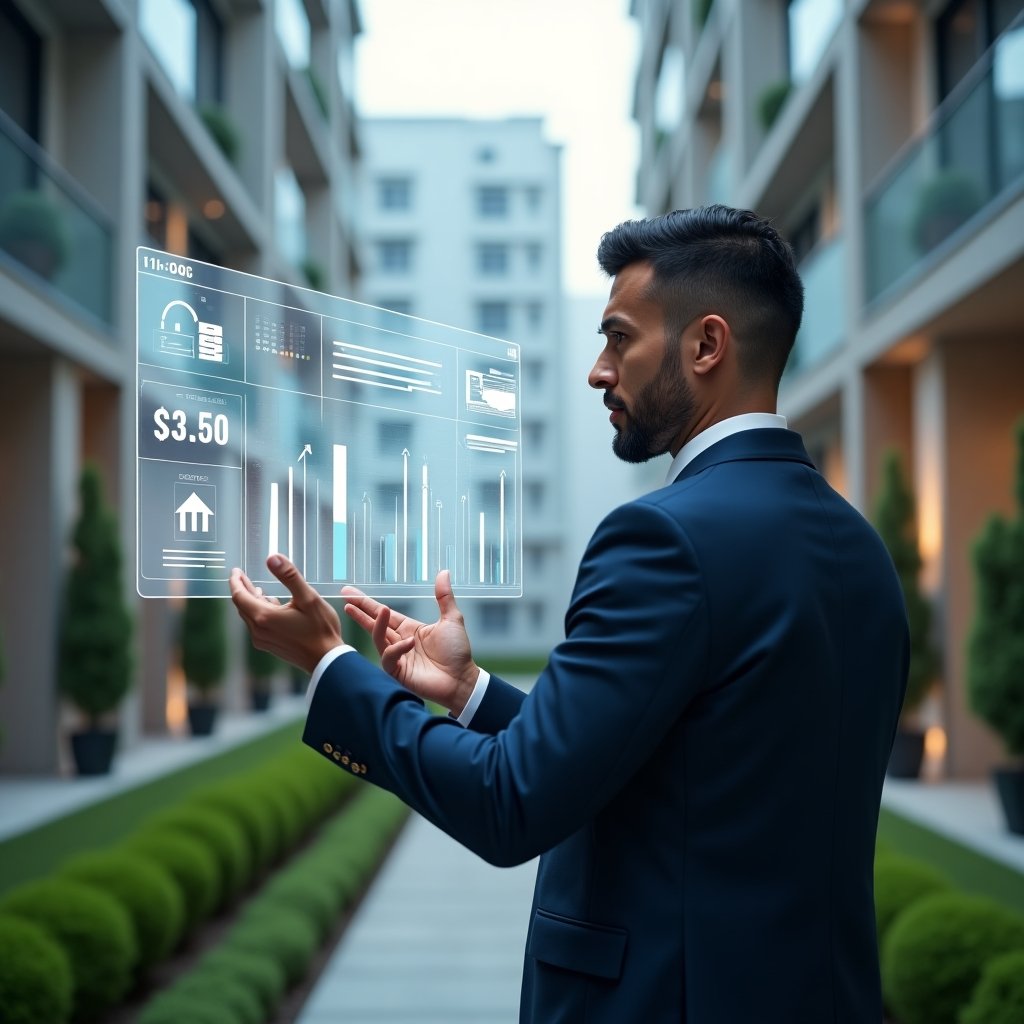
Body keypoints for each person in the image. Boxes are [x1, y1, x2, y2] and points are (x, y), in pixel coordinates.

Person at [231, 205, 909, 1023]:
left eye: (620, 339)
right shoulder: (862, 550)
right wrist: (471, 693)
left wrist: (332, 666)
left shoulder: (661, 539)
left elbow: (512, 803)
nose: (597, 371)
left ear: (706, 345)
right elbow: (681, 770)